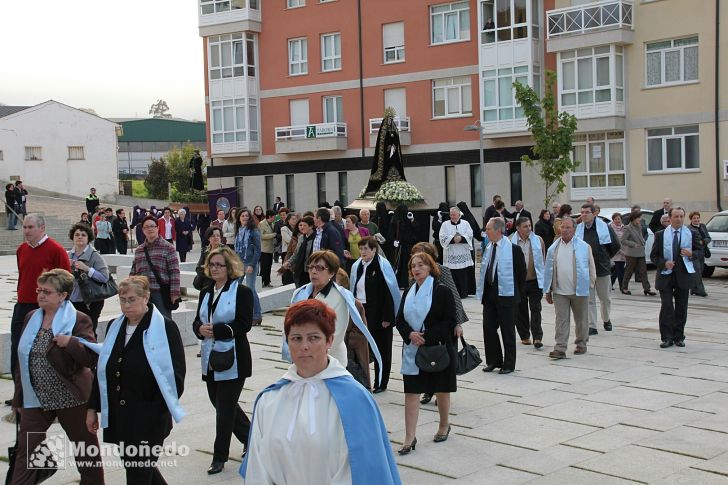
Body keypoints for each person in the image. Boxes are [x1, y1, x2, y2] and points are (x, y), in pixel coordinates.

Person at [241, 299, 401, 484]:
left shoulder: (355, 399)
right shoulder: (269, 400)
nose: (304, 346)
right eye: (296, 338)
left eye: (313, 337)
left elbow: (362, 470)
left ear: (329, 341)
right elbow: (257, 468)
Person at [86, 276, 185, 483]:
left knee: (138, 474)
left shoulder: (165, 328)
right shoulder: (115, 325)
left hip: (148, 419)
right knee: (141, 470)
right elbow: (103, 369)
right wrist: (92, 408)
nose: (126, 305)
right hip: (120, 417)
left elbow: (175, 378)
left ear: (146, 297)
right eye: (122, 300)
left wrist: (155, 411)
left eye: (131, 299)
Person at [10, 269, 104, 484]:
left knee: (86, 451)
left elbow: (90, 359)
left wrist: (70, 343)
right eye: (39, 290)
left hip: (71, 397)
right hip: (35, 398)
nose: (41, 295)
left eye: (47, 292)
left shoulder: (79, 320)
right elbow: (21, 361)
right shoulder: (31, 316)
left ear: (63, 295)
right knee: (26, 451)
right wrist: (19, 398)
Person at [193, 247, 254, 474]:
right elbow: (196, 323)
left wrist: (218, 330)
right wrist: (200, 329)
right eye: (212, 265)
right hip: (211, 359)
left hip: (234, 358)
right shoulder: (206, 291)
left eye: (220, 265)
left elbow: (244, 324)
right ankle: (252, 437)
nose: (215, 268)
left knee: (224, 410)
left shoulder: (242, 292)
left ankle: (220, 456)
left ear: (229, 267)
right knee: (221, 404)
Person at [396, 252, 458, 454]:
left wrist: (426, 336)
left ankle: (444, 424)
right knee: (411, 393)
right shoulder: (408, 292)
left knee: (441, 389)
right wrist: (410, 335)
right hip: (412, 349)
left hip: (436, 348)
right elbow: (399, 320)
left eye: (421, 265)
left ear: (430, 267)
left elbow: (449, 321)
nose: (416, 269)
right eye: (413, 266)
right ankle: (409, 437)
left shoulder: (441, 291)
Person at [288, 250, 381, 372]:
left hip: (330, 361)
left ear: (331, 272)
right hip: (302, 356)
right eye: (311, 267)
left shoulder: (340, 297)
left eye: (320, 268)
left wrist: (313, 353)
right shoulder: (300, 293)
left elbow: (336, 334)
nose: (314, 271)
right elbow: (290, 325)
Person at [10, 215, 71, 394]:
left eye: (30, 227)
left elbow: (66, 280)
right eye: (25, 227)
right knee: (17, 347)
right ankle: (19, 392)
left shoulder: (56, 250)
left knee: (42, 350)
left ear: (42, 228)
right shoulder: (21, 249)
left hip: (46, 308)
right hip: (22, 305)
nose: (26, 231)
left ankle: (44, 390)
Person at [350, 237, 400, 393]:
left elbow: (389, 293)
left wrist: (387, 317)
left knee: (382, 349)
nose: (363, 252)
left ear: (374, 250)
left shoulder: (382, 266)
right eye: (361, 248)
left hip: (379, 313)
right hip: (362, 310)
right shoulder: (357, 266)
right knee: (359, 347)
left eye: (366, 249)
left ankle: (381, 382)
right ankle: (361, 379)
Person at [478, 217, 526, 374]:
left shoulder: (513, 249)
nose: (486, 232)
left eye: (488, 229)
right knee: (489, 329)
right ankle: (493, 360)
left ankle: (509, 363)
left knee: (507, 331)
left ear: (499, 230)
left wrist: (516, 295)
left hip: (507, 295)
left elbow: (521, 274)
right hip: (490, 295)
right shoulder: (489, 248)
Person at [543, 217, 596, 359]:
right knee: (561, 320)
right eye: (562, 227)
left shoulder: (583, 246)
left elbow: (591, 268)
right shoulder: (553, 248)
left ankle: (581, 343)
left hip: (579, 290)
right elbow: (548, 270)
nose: (564, 230)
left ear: (574, 229)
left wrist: (590, 285)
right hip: (560, 291)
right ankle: (560, 347)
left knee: (581, 320)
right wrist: (547, 290)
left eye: (568, 227)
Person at [651, 207, 701, 348]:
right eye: (676, 216)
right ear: (670, 218)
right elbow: (654, 256)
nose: (679, 219)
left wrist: (691, 254)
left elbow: (700, 252)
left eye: (681, 216)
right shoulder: (661, 234)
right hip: (666, 276)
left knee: (681, 308)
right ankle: (667, 337)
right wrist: (663, 263)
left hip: (683, 276)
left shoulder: (691, 233)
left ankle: (679, 336)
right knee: (667, 307)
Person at [577, 203, 620, 335]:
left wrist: (605, 257)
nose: (584, 214)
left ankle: (606, 319)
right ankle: (592, 325)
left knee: (605, 298)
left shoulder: (604, 227)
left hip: (602, 268)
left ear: (594, 213)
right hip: (585, 269)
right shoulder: (578, 228)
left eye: (587, 212)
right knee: (589, 299)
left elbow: (615, 245)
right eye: (582, 212)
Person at [129, 215, 181, 319]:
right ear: (143, 230)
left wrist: (175, 293)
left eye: (152, 226)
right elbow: (134, 271)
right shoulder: (139, 250)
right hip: (142, 294)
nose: (150, 229)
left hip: (160, 293)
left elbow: (174, 272)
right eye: (146, 227)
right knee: (143, 322)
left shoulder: (168, 247)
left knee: (163, 322)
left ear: (157, 228)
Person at [68, 223, 111, 335]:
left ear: (88, 239)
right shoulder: (69, 255)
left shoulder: (94, 255)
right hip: (72, 300)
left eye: (83, 235)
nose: (80, 237)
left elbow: (104, 277)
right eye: (77, 234)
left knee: (89, 332)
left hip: (91, 301)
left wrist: (87, 269)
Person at [511, 217, 546, 349]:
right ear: (518, 228)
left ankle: (537, 336)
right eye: (525, 226)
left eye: (530, 226)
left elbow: (543, 259)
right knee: (521, 309)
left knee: (536, 308)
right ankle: (525, 335)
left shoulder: (538, 240)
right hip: (519, 281)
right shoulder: (511, 242)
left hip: (535, 280)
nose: (529, 229)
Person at [235, 208, 263, 326]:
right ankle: (241, 313)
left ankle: (257, 315)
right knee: (235, 287)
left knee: (251, 289)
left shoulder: (254, 231)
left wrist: (252, 264)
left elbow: (258, 250)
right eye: (242, 216)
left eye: (247, 216)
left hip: (250, 262)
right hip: (239, 263)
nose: (245, 218)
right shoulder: (239, 230)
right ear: (239, 218)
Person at [439, 207, 475, 299]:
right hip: (451, 254)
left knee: (463, 274)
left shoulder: (465, 223)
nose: (453, 216)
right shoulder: (445, 225)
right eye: (451, 215)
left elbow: (470, 234)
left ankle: (464, 292)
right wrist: (452, 238)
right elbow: (442, 237)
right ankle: (453, 293)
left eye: (454, 215)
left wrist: (461, 238)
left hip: (462, 252)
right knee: (453, 274)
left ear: (459, 215)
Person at [620, 212, 657, 296]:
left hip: (640, 252)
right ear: (634, 218)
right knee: (629, 271)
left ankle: (647, 289)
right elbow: (623, 240)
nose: (640, 219)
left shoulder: (639, 226)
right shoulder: (627, 228)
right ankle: (624, 288)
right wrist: (633, 244)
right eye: (638, 218)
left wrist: (643, 241)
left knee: (643, 272)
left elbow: (640, 236)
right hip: (631, 253)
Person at [388, 204, 418, 289]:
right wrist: (394, 241)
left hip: (408, 246)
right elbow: (390, 234)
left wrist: (412, 219)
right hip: (399, 247)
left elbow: (416, 229)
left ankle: (406, 282)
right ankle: (398, 282)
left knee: (407, 264)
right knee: (399, 264)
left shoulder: (408, 219)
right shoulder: (394, 221)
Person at [287, 216, 316, 287]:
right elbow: (296, 253)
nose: (302, 227)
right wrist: (289, 262)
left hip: (310, 270)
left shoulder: (316, 238)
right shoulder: (301, 238)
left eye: (304, 225)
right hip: (300, 270)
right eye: (300, 225)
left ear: (311, 226)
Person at [194, 226, 224, 290]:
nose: (216, 237)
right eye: (213, 236)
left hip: (220, 284)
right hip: (206, 284)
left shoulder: (225, 251)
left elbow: (223, 269)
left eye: (218, 235)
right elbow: (198, 268)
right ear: (208, 238)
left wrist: (206, 267)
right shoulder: (205, 250)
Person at [689, 211, 710, 297]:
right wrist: (700, 243)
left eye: (697, 218)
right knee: (697, 272)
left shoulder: (703, 226)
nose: (696, 220)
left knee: (700, 271)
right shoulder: (689, 228)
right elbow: (692, 242)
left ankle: (693, 289)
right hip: (694, 253)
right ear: (691, 219)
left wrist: (703, 241)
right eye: (694, 218)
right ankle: (701, 291)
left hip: (702, 252)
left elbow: (708, 238)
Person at [258, 209, 277, 287]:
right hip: (264, 249)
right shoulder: (261, 224)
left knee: (269, 266)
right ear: (269, 216)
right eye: (274, 217)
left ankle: (267, 282)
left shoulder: (272, 223)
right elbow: (261, 236)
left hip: (270, 249)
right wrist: (273, 235)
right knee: (264, 267)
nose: (275, 218)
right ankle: (261, 282)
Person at [279, 212, 298, 285]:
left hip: (295, 252)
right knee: (287, 269)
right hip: (287, 251)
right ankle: (286, 283)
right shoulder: (284, 229)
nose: (294, 221)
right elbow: (288, 240)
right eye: (292, 219)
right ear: (288, 220)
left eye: (295, 219)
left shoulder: (297, 229)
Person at [609, 213, 626, 291]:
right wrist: (619, 250)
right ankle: (622, 287)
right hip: (616, 252)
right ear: (613, 220)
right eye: (615, 219)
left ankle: (610, 284)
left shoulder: (624, 227)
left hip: (624, 251)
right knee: (620, 270)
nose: (617, 220)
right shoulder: (611, 228)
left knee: (617, 270)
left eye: (618, 219)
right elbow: (612, 241)